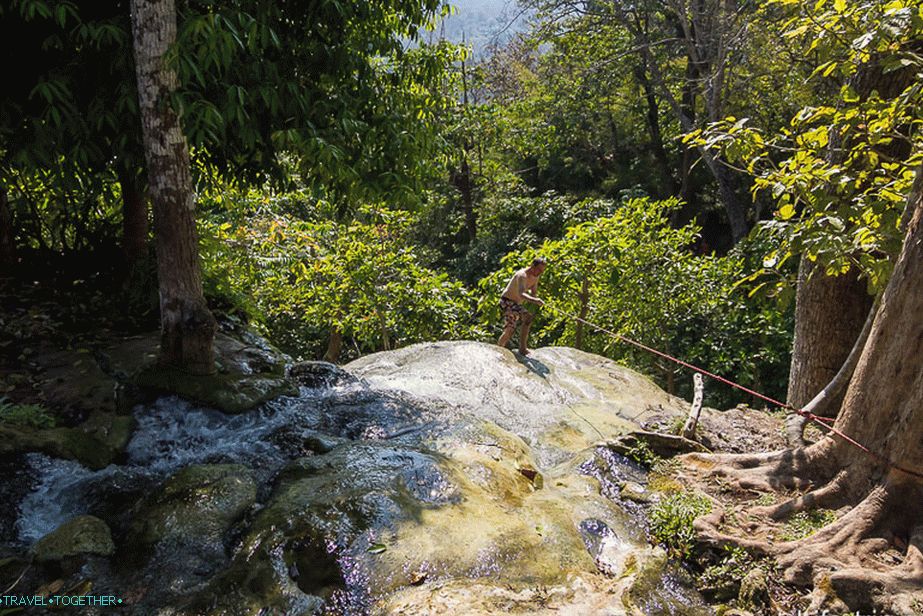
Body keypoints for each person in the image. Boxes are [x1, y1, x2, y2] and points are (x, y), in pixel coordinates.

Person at [498, 257, 546, 355]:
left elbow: (534, 293)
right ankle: (499, 348)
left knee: (527, 319)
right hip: (507, 301)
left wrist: (537, 300)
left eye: (542, 271)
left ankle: (522, 348)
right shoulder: (521, 275)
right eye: (539, 270)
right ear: (533, 266)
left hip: (516, 304)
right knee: (510, 329)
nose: (540, 272)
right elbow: (521, 294)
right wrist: (535, 300)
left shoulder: (535, 277)